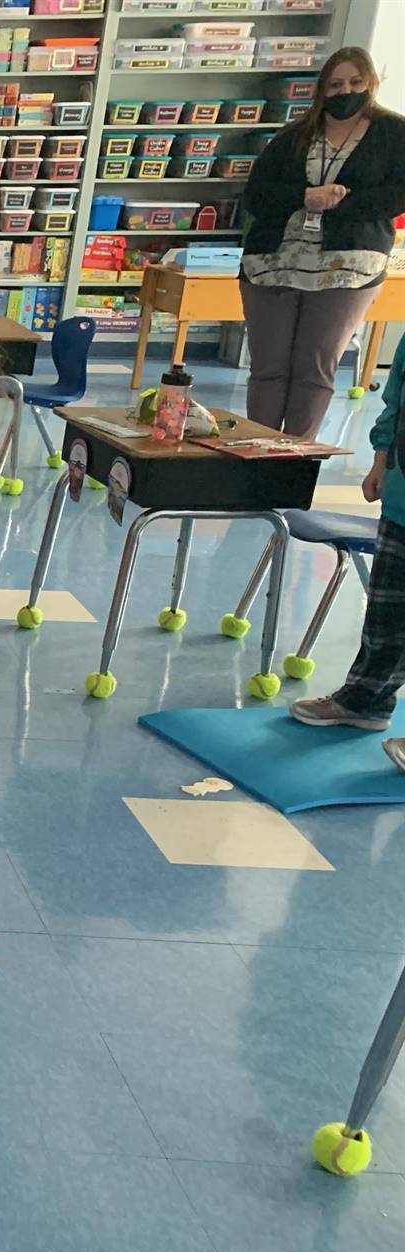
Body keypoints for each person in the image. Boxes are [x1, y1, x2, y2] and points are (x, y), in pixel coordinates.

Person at [239, 47, 405, 440]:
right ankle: (256, 454)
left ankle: (295, 457)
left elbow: (396, 194)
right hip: (276, 262)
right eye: (335, 84)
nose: (345, 91)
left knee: (315, 366)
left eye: (354, 82)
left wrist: (341, 203)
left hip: (346, 267)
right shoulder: (295, 135)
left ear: (369, 84)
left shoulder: (393, 134)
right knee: (268, 367)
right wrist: (305, 197)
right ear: (321, 89)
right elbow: (256, 194)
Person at [290, 329, 405, 773]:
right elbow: (395, 400)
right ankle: (365, 699)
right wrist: (381, 460)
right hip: (401, 492)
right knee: (387, 612)